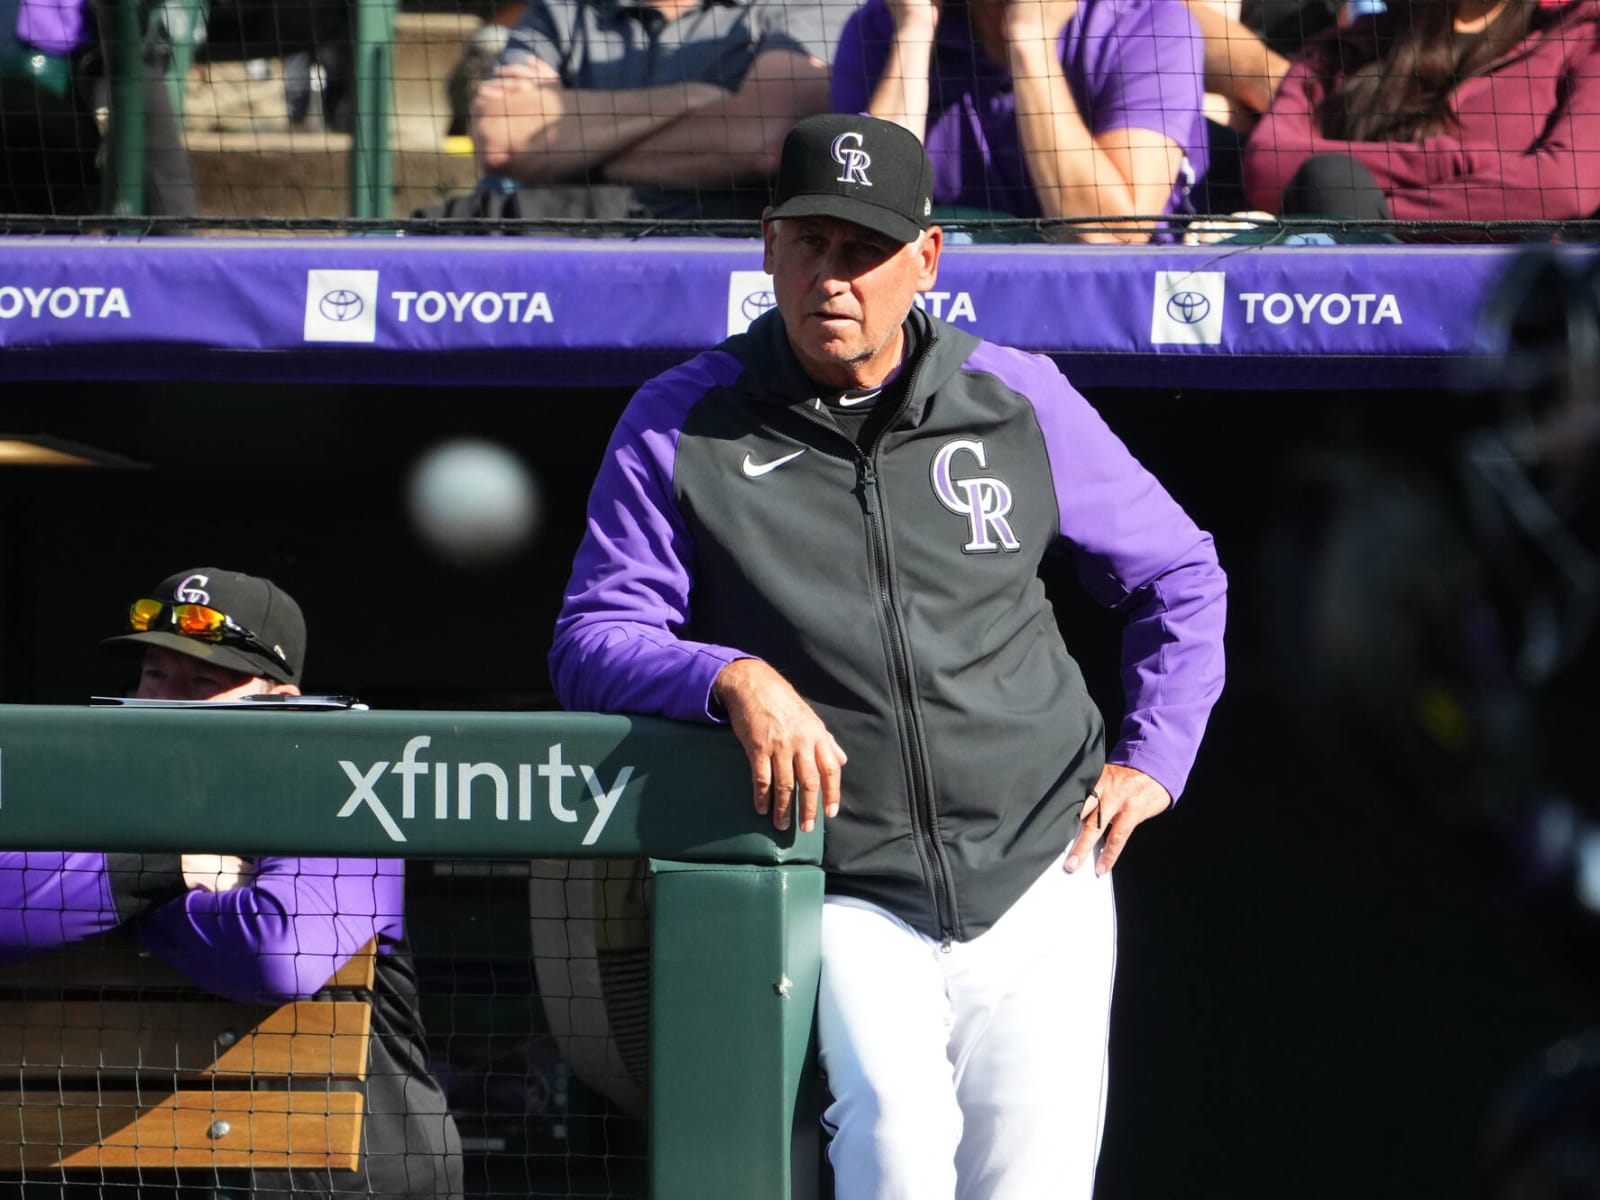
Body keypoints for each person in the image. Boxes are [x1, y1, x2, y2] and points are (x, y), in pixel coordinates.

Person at [548, 113, 1228, 1197]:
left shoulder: (1014, 397)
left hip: (1044, 865)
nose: (833, 278)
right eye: (810, 243)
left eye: (863, 250)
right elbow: (593, 637)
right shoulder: (682, 419)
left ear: (925, 257)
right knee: (893, 1144)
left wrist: (1156, 755)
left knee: (1033, 1183)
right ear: (767, 244)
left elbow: (1178, 576)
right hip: (843, 876)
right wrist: (730, 675)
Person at [0, 567, 464, 1200]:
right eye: (155, 675)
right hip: (133, 1163)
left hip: (347, 1172)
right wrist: (174, 871)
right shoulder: (90, 787)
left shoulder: (342, 782)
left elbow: (274, 950)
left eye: (202, 683)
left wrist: (103, 900)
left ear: (281, 697)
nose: (165, 700)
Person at [827, 0, 1208, 242]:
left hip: (1104, 309)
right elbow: (864, 222)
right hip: (932, 298)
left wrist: (1030, 40)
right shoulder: (883, 25)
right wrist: (913, 31)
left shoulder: (1152, 21)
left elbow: (1111, 234)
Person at [467, 0, 854, 223]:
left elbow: (760, 141)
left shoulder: (810, 4)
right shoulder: (562, 8)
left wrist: (575, 153)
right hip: (567, 238)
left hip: (721, 247)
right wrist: (688, 98)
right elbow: (500, 140)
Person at [1241, 0, 1600, 228]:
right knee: (1332, 177)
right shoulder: (1340, 47)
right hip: (1357, 292)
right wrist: (1461, 164)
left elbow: (1564, 186)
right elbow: (1268, 166)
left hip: (1508, 306)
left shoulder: (1581, 36)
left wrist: (1366, 215)